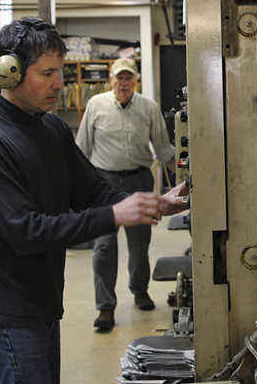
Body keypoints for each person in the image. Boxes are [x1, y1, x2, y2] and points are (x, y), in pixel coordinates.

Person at [0, 18, 189, 384]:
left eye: (59, 72)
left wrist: (151, 204)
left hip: (42, 297)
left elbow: (90, 189)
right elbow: (26, 231)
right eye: (47, 74)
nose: (60, 85)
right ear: (8, 73)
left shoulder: (49, 127)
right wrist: (114, 216)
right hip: (7, 307)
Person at [76, 57, 176, 331]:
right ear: (110, 80)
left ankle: (139, 290)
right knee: (104, 246)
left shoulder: (148, 107)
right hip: (104, 183)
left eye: (128, 77)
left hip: (139, 179)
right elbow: (81, 150)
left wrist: (184, 181)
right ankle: (105, 307)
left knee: (139, 243)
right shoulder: (96, 105)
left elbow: (164, 149)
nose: (123, 83)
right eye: (119, 78)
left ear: (135, 80)